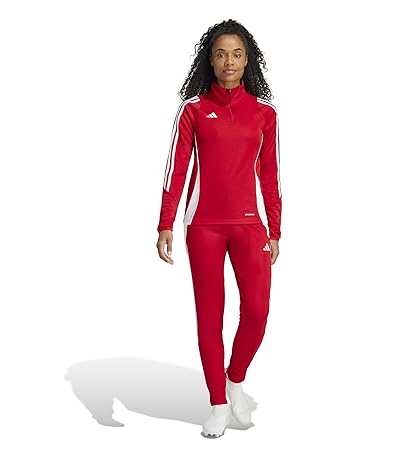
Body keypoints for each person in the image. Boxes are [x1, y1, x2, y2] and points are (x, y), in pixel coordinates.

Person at [156, 18, 282, 438]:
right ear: (210, 60)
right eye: (221, 54)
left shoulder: (264, 113)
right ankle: (217, 403)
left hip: (250, 227)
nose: (229, 61)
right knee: (210, 317)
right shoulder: (193, 109)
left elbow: (270, 176)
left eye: (237, 54)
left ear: (247, 61)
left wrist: (275, 229)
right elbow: (176, 169)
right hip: (203, 226)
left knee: (258, 312)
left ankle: (235, 379)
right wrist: (166, 222)